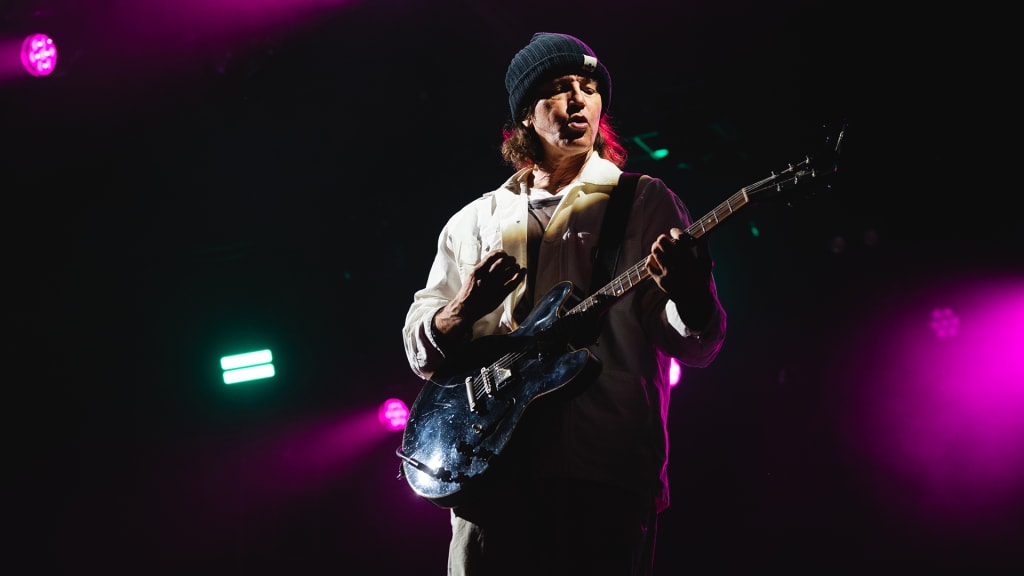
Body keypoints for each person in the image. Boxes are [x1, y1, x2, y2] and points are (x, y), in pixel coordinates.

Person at [400, 32, 727, 576]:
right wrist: (462, 307)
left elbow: (696, 346)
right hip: (488, 473)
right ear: (526, 116)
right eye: (558, 89)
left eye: (588, 87)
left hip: (606, 467)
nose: (578, 99)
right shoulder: (473, 221)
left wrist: (691, 298)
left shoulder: (644, 200)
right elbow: (421, 349)